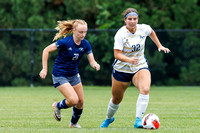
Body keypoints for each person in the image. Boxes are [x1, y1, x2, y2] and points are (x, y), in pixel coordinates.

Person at [100, 8, 170, 128]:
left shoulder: (143, 28)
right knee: (116, 98)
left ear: (137, 20)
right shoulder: (120, 34)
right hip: (122, 69)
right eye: (129, 19)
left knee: (145, 89)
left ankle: (138, 120)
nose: (132, 21)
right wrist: (129, 60)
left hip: (140, 66)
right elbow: (117, 54)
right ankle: (108, 119)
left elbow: (151, 32)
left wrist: (159, 45)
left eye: (134, 19)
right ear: (125, 20)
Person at [39, 19, 100, 128]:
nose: (83, 34)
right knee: (73, 100)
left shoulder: (86, 44)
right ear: (74, 31)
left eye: (85, 32)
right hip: (60, 74)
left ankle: (73, 124)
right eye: (81, 32)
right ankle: (57, 106)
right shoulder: (65, 42)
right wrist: (44, 69)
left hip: (74, 75)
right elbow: (46, 50)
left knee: (80, 102)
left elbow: (92, 60)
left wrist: (95, 64)